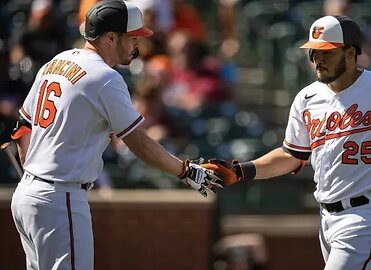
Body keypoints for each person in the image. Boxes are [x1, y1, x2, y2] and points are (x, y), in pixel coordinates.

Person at [202, 15, 371, 270]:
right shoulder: (306, 98)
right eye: (312, 52)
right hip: (326, 217)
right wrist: (241, 171)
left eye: (326, 52)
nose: (316, 59)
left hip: (367, 213)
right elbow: (291, 155)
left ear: (350, 53)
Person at [9, 1, 222, 269]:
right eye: (132, 37)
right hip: (60, 196)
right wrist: (186, 171)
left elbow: (22, 129)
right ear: (111, 37)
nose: (137, 45)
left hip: (27, 194)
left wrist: (33, 175)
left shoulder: (55, 62)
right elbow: (140, 144)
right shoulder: (105, 77)